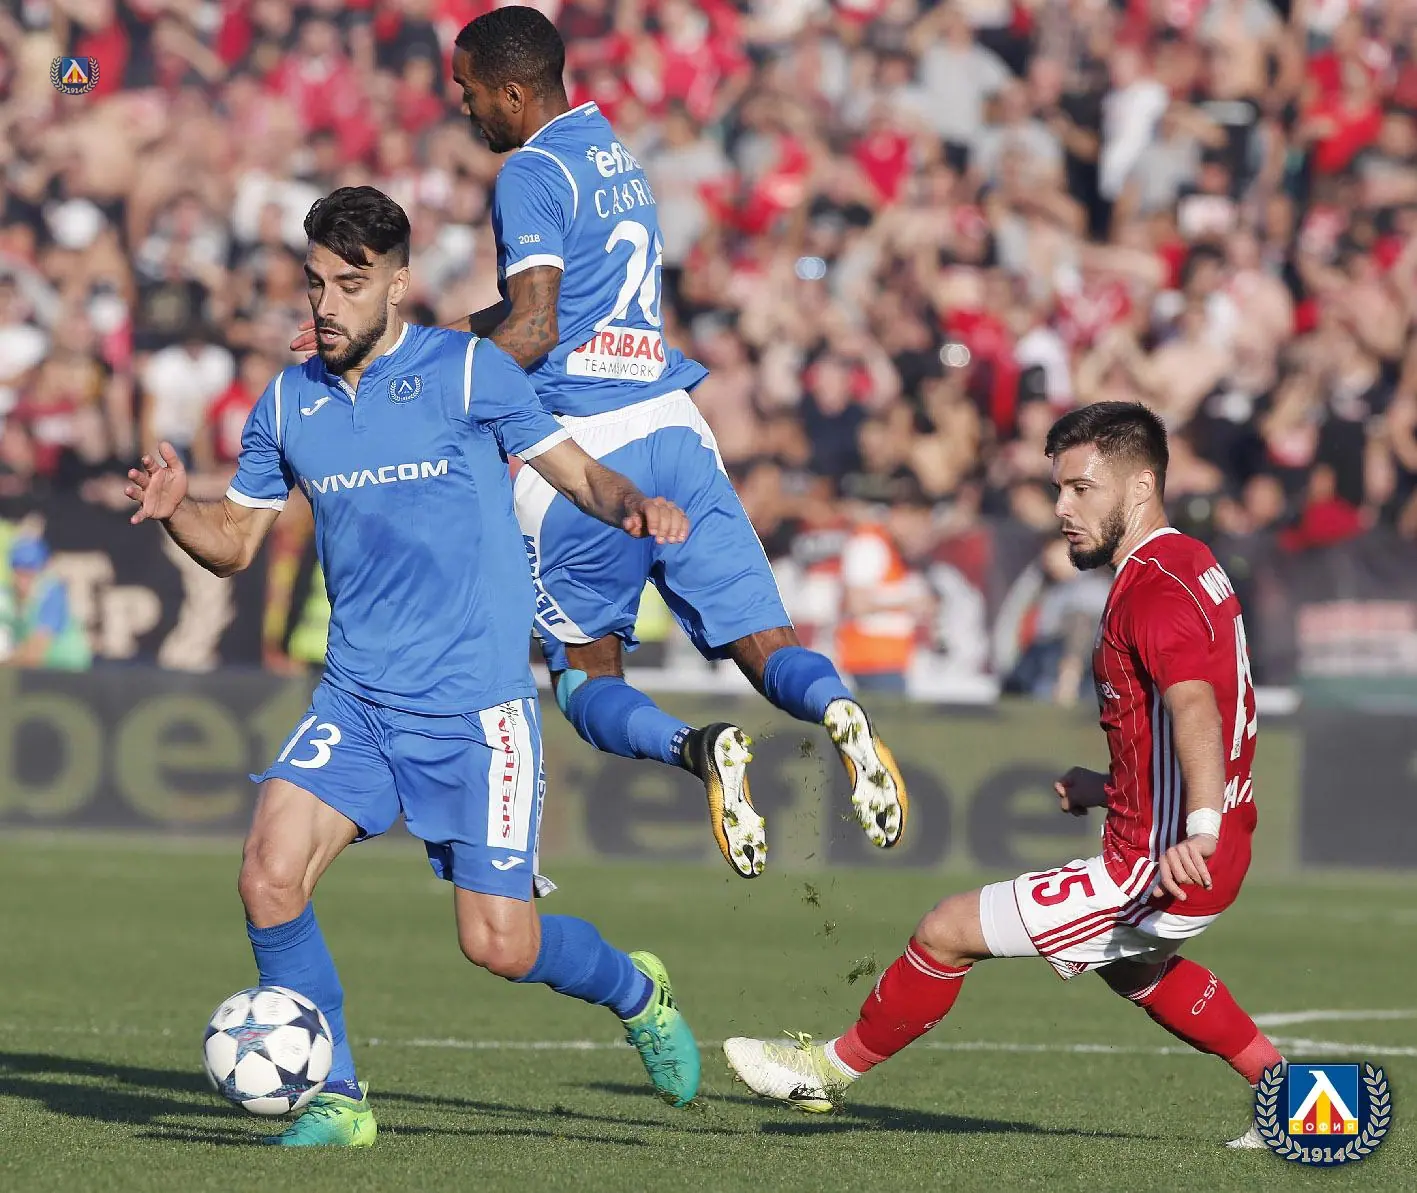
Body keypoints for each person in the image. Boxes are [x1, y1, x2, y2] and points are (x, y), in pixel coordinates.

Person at [128, 186, 700, 1148]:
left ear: (398, 285)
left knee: (499, 945)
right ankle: (337, 1097)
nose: (326, 304)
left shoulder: (468, 370)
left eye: (350, 285)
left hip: (476, 712)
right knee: (269, 876)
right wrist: (178, 508)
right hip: (356, 700)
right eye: (316, 283)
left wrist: (631, 505)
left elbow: (576, 471)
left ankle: (636, 989)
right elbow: (232, 545)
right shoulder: (289, 401)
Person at [416, 6, 909, 877]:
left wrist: (420, 392)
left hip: (579, 453)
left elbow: (533, 328)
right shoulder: (610, 153)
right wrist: (420, 346)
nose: (464, 108)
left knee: (586, 678)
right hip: (675, 426)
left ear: (514, 92)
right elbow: (553, 305)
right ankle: (838, 709)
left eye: (469, 91)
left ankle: (698, 747)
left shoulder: (527, 171)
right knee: (766, 641)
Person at [722, 402, 1281, 1149]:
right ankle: (1289, 1096)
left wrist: (1198, 827)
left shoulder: (1150, 589)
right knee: (1133, 969)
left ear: (1142, 485)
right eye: (1058, 490)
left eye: (1081, 489)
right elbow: (1200, 705)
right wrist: (1112, 789)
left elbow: (1195, 709)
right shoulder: (1190, 562)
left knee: (946, 930)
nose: (1062, 509)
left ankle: (823, 1069)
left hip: (1162, 862)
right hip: (1204, 839)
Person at [3, 536, 92, 671]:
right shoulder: (7, 596)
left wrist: (5, 665)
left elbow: (34, 654)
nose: (23, 578)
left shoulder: (50, 592)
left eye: (30, 570)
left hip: (68, 670)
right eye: (19, 570)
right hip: (37, 672)